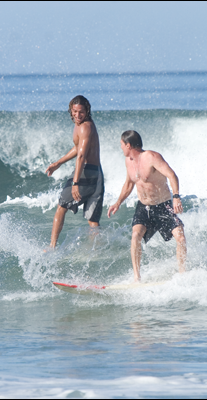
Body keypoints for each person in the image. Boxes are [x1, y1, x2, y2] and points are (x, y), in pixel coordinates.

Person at [107, 130, 187, 281]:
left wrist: (176, 197)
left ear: (128, 145)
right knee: (136, 235)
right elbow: (129, 183)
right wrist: (118, 203)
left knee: (180, 238)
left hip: (163, 205)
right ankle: (137, 277)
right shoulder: (128, 161)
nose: (121, 148)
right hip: (144, 207)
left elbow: (172, 175)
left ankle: (182, 275)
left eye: (122, 145)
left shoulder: (151, 157)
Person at [45, 95, 104, 248]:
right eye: (75, 111)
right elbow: (78, 148)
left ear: (87, 111)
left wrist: (76, 182)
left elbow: (82, 155)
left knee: (61, 207)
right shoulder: (83, 125)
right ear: (71, 110)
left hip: (85, 172)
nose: (78, 115)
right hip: (97, 173)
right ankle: (95, 252)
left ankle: (52, 247)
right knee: (92, 220)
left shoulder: (85, 126)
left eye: (81, 112)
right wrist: (58, 163)